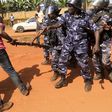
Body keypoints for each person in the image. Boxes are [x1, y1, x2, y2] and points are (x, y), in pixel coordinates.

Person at [45, 0, 100, 92]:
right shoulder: (66, 15)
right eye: (68, 6)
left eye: (71, 6)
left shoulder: (85, 17)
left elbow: (96, 30)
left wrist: (97, 44)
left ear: (76, 7)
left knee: (83, 64)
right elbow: (59, 23)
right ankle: (63, 79)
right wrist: (51, 26)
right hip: (68, 43)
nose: (68, 8)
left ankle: (87, 80)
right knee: (62, 61)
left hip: (81, 45)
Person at [0, 16, 30, 96]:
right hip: (0, 52)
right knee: (11, 71)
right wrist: (11, 40)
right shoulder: (0, 24)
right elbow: (1, 32)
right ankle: (23, 89)